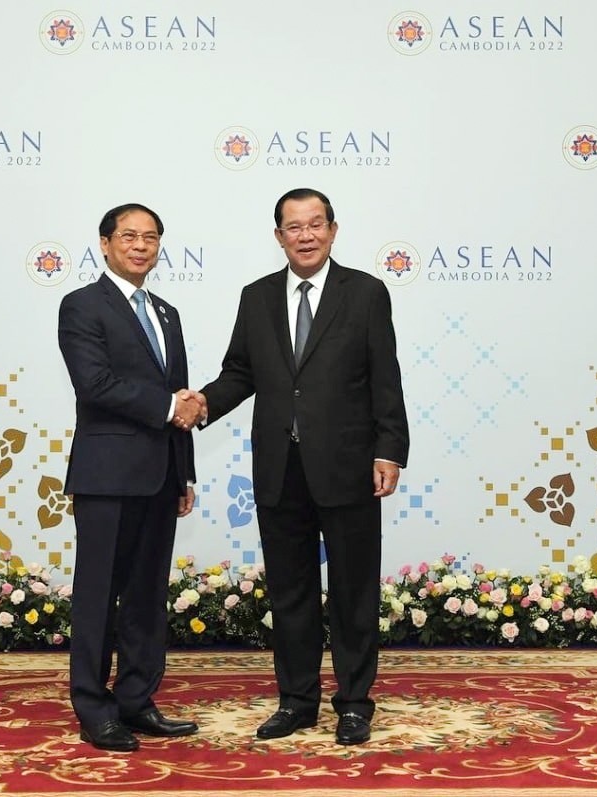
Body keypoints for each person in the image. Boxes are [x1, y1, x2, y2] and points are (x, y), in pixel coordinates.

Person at [194, 187, 409, 745]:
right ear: (278, 236)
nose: (306, 235)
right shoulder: (256, 296)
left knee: (353, 592)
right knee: (289, 593)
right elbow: (241, 372)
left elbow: (386, 379)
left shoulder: (365, 293)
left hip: (349, 467)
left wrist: (390, 450)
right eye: (294, 227)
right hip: (278, 469)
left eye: (316, 224)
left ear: (333, 230)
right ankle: (296, 702)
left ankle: (355, 702)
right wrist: (203, 404)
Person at [58, 203, 204, 752]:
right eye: (128, 236)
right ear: (104, 243)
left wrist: (184, 471)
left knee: (146, 597)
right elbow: (94, 384)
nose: (140, 246)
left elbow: (181, 394)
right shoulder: (82, 306)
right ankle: (94, 709)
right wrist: (170, 407)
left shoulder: (166, 312)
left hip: (161, 476)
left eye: (150, 237)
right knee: (98, 596)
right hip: (107, 475)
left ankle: (137, 700)